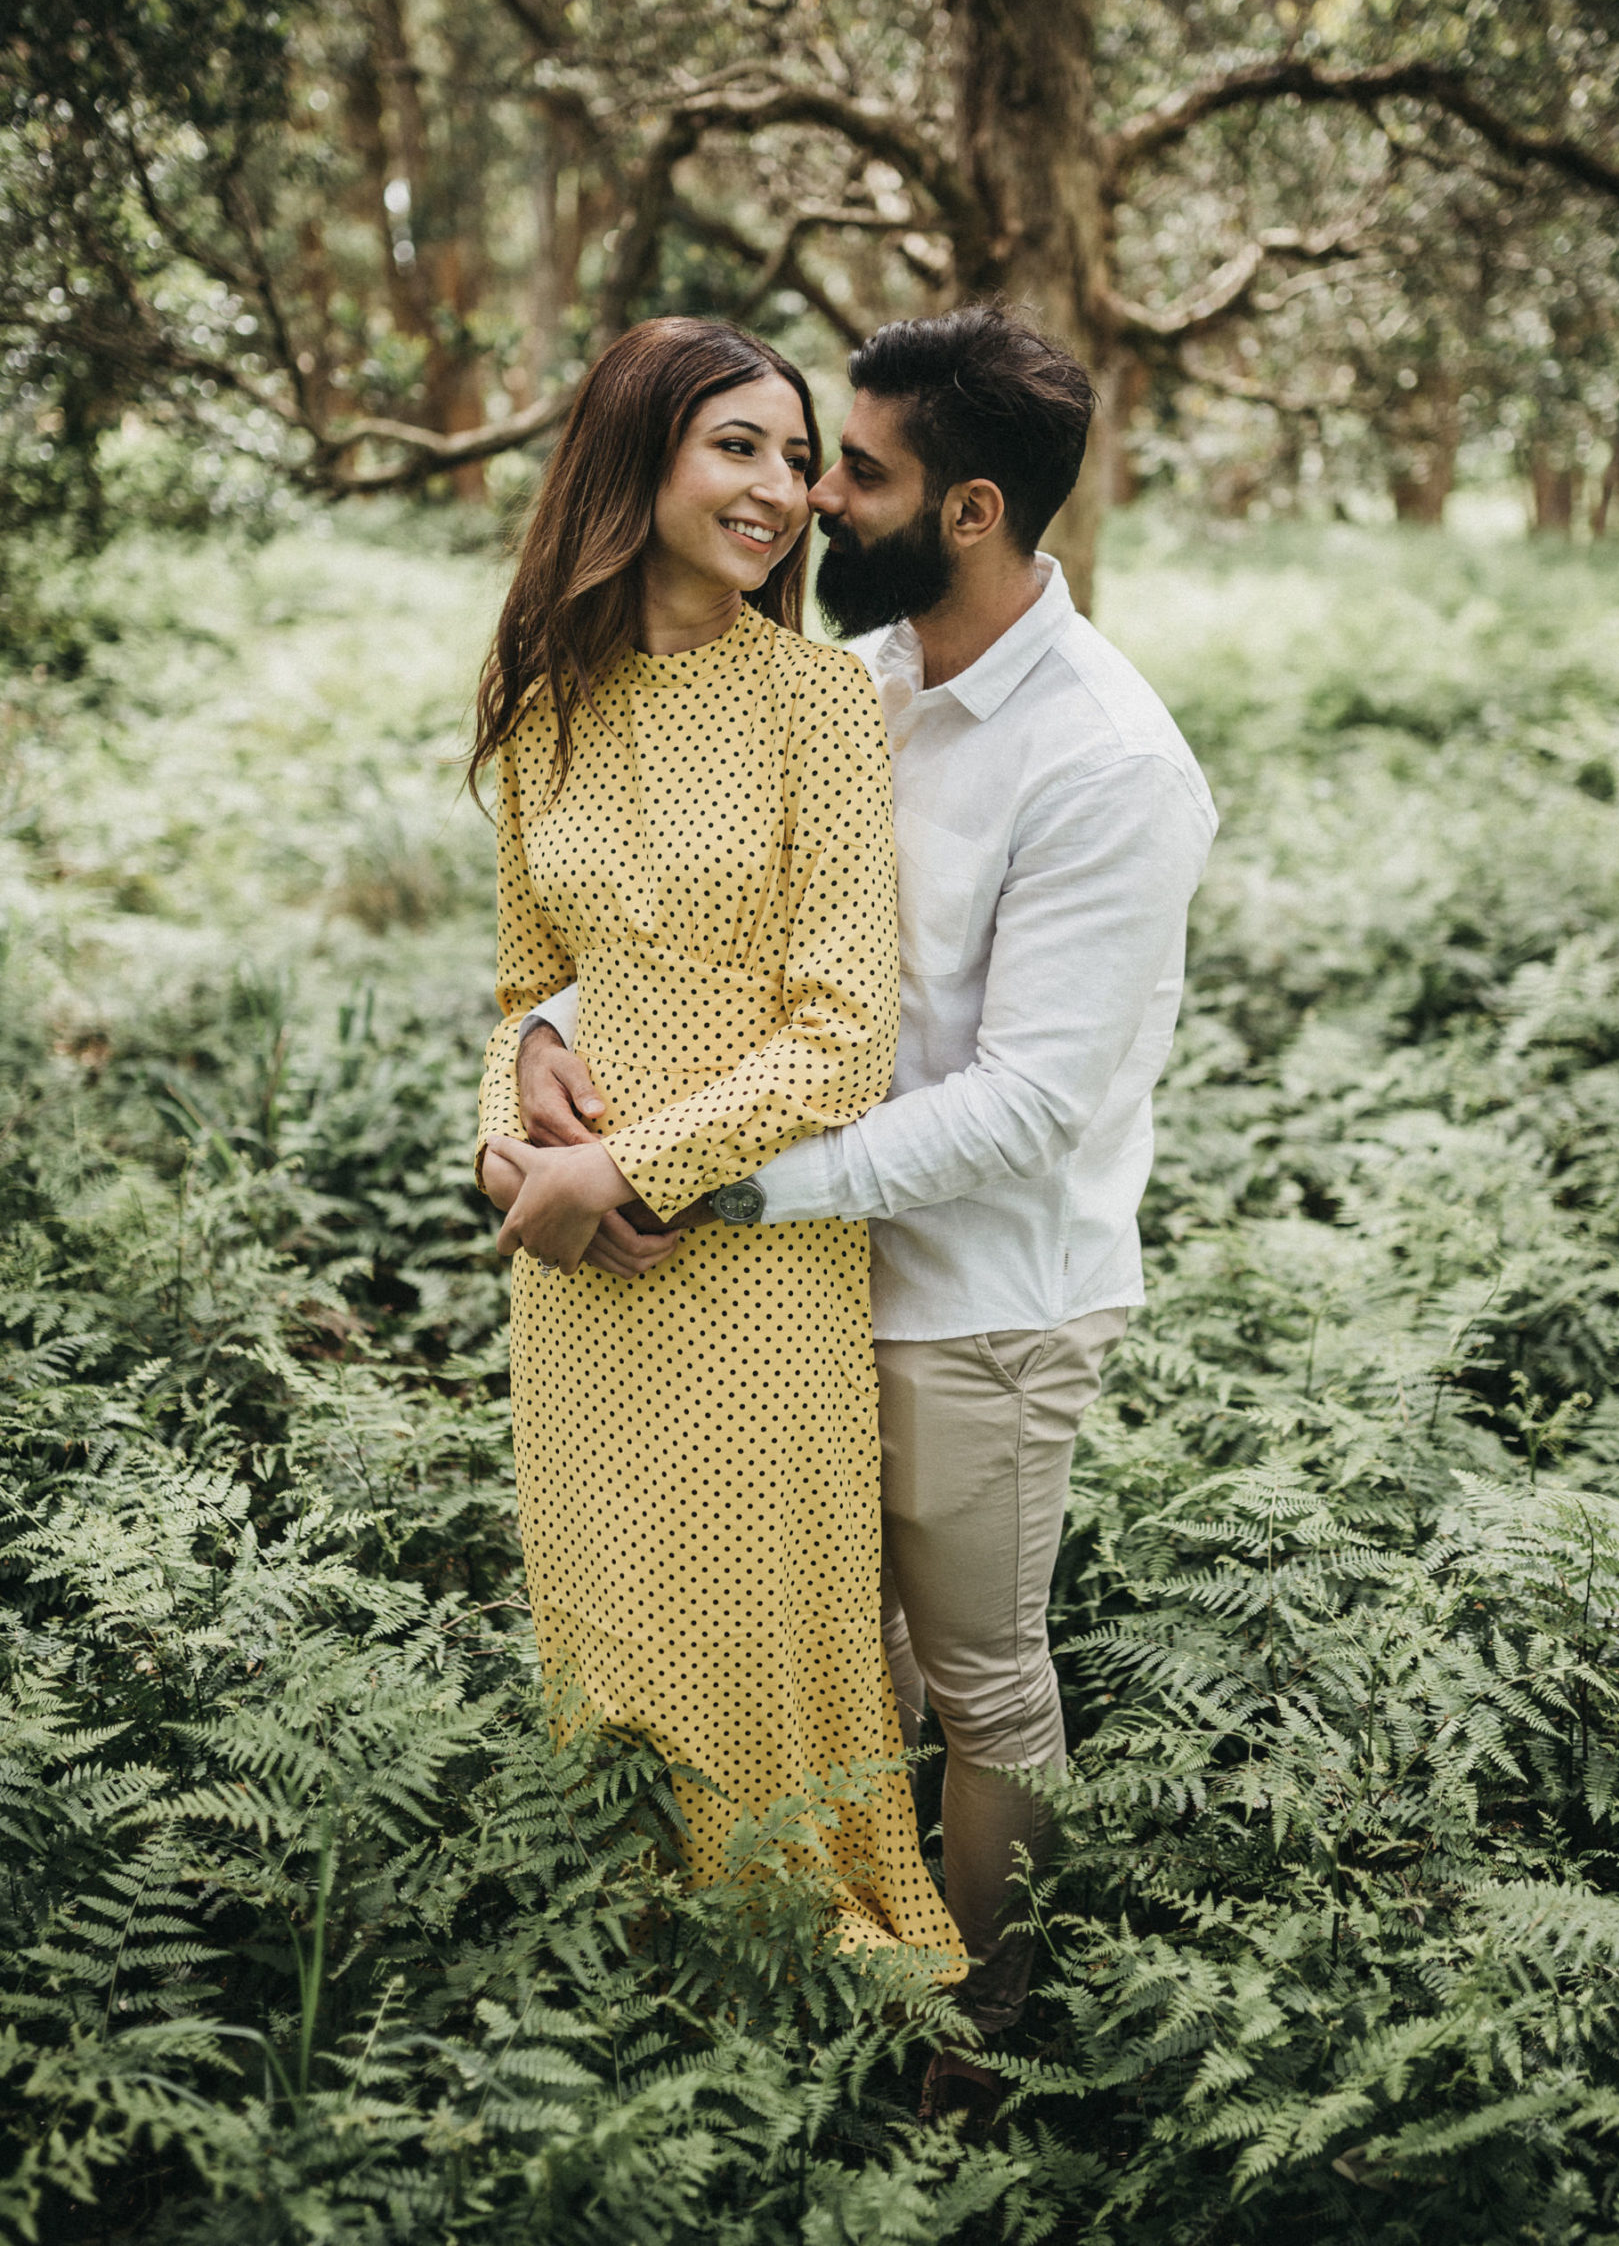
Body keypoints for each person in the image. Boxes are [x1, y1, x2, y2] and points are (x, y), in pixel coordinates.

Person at [517, 306, 1217, 2118]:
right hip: (791, 1286)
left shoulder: (1106, 761)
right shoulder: (879, 676)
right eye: (786, 454)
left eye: (856, 469)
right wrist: (543, 1038)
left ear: (970, 509)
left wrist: (701, 1182)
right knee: (843, 1674)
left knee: (975, 1684)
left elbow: (1025, 1106)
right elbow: (677, 926)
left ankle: (967, 2045)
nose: (816, 498)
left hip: (978, 1296)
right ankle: (812, 1989)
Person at [470, 313, 960, 1963]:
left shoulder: (815, 702)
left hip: (752, 1272)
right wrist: (506, 1147)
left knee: (756, 1638)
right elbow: (529, 984)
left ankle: (832, 1992)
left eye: (791, 452)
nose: (777, 489)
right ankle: (643, 2003)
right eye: (732, 446)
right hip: (573, 1293)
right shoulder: (547, 696)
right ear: (637, 458)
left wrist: (626, 1165)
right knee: (602, 1644)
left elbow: (844, 1037)